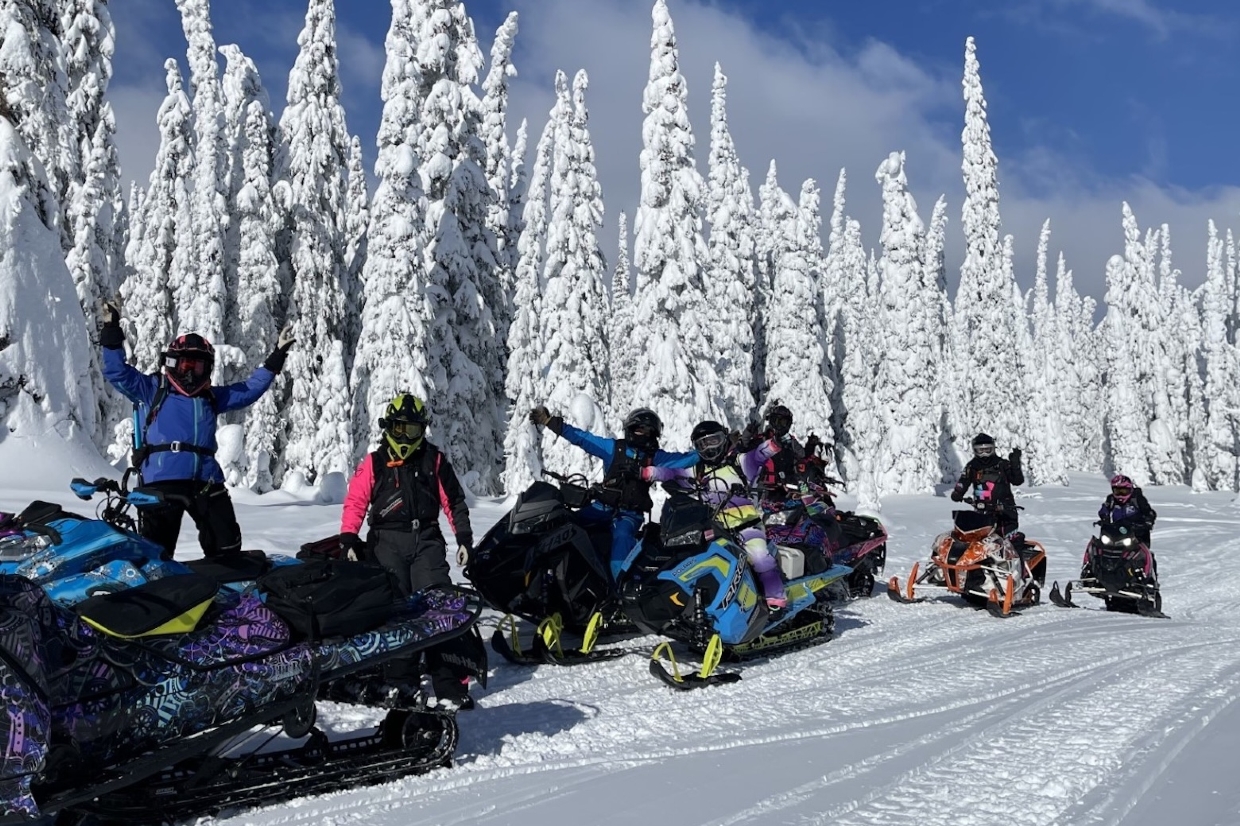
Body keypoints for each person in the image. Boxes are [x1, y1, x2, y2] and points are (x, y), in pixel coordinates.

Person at [99, 298, 292, 560]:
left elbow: (248, 390)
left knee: (227, 547)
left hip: (204, 480)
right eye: (186, 366)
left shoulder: (210, 397)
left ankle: (227, 589)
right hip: (161, 482)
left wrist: (276, 358)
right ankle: (160, 594)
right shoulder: (154, 389)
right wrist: (111, 330)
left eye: (198, 367)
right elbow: (118, 373)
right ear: (173, 364)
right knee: (156, 555)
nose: (191, 374)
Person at [339, 392, 478, 711]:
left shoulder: (434, 460)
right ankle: (401, 680)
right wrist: (348, 538)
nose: (405, 436)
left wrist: (464, 538)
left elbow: (454, 501)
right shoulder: (374, 462)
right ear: (389, 427)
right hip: (385, 543)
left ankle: (449, 681)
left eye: (412, 430)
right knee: (396, 611)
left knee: (440, 608)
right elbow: (356, 502)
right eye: (400, 428)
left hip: (426, 539)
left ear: (422, 430)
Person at [529, 405, 698, 580]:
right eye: (639, 429)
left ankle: (621, 589)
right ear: (630, 429)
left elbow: (683, 460)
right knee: (565, 524)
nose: (643, 434)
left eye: (648, 431)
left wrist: (712, 449)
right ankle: (541, 572)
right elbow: (583, 438)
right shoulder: (614, 449)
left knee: (622, 538)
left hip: (629, 515)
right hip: (601, 507)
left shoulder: (655, 458)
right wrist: (551, 423)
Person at [643, 421, 787, 608]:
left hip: (745, 526)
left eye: (714, 440)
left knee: (759, 556)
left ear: (723, 439)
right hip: (714, 528)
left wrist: (770, 445)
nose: (709, 447)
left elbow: (756, 456)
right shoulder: (698, 471)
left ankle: (776, 599)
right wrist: (652, 472)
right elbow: (673, 473)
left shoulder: (738, 464)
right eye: (703, 444)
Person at [950, 432, 1024, 537]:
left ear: (993, 448)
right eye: (981, 450)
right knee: (974, 537)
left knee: (1002, 536)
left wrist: (1015, 464)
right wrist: (958, 492)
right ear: (975, 450)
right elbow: (963, 481)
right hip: (982, 511)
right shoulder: (972, 466)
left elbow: (1017, 480)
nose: (984, 453)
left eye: (987, 450)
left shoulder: (1002, 464)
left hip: (1005, 511)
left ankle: (1013, 551)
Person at [747, 404, 828, 497]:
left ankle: (824, 506)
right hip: (765, 489)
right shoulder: (763, 440)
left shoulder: (790, 441)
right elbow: (743, 453)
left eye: (784, 422)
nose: (781, 426)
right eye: (777, 421)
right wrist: (747, 435)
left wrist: (811, 445)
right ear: (772, 421)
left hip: (789, 486)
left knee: (808, 493)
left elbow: (803, 454)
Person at [1098, 474, 1157, 550]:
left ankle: (1149, 561)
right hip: (1117, 530)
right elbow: (1104, 509)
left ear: (1130, 489)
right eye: (1117, 491)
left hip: (1137, 532)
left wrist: (1148, 521)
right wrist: (1104, 518)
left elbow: (1149, 512)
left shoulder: (1137, 499)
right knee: (1103, 546)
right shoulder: (1111, 499)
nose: (1120, 495)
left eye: (1123, 491)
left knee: (1143, 550)